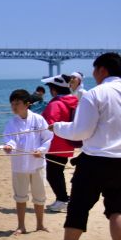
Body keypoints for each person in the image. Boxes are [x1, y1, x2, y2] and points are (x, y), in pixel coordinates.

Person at [50, 53, 121, 240]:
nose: (93, 74)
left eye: (94, 70)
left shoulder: (95, 94)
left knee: (79, 206)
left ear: (102, 70)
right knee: (118, 209)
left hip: (95, 160)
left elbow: (82, 131)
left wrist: (57, 127)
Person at [0, 89, 53, 235]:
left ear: (27, 104)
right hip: (19, 164)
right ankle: (21, 226)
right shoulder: (12, 122)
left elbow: (47, 137)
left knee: (39, 196)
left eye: (17, 103)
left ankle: (40, 224)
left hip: (37, 164)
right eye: (12, 103)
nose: (14, 106)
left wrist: (41, 150)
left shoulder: (38, 119)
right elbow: (10, 139)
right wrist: (9, 146)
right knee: (20, 196)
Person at [40, 74, 80, 213]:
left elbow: (48, 125)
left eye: (51, 88)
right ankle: (62, 199)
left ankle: (62, 199)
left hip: (55, 144)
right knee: (57, 172)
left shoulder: (56, 103)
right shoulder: (74, 101)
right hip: (68, 143)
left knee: (52, 173)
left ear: (54, 90)